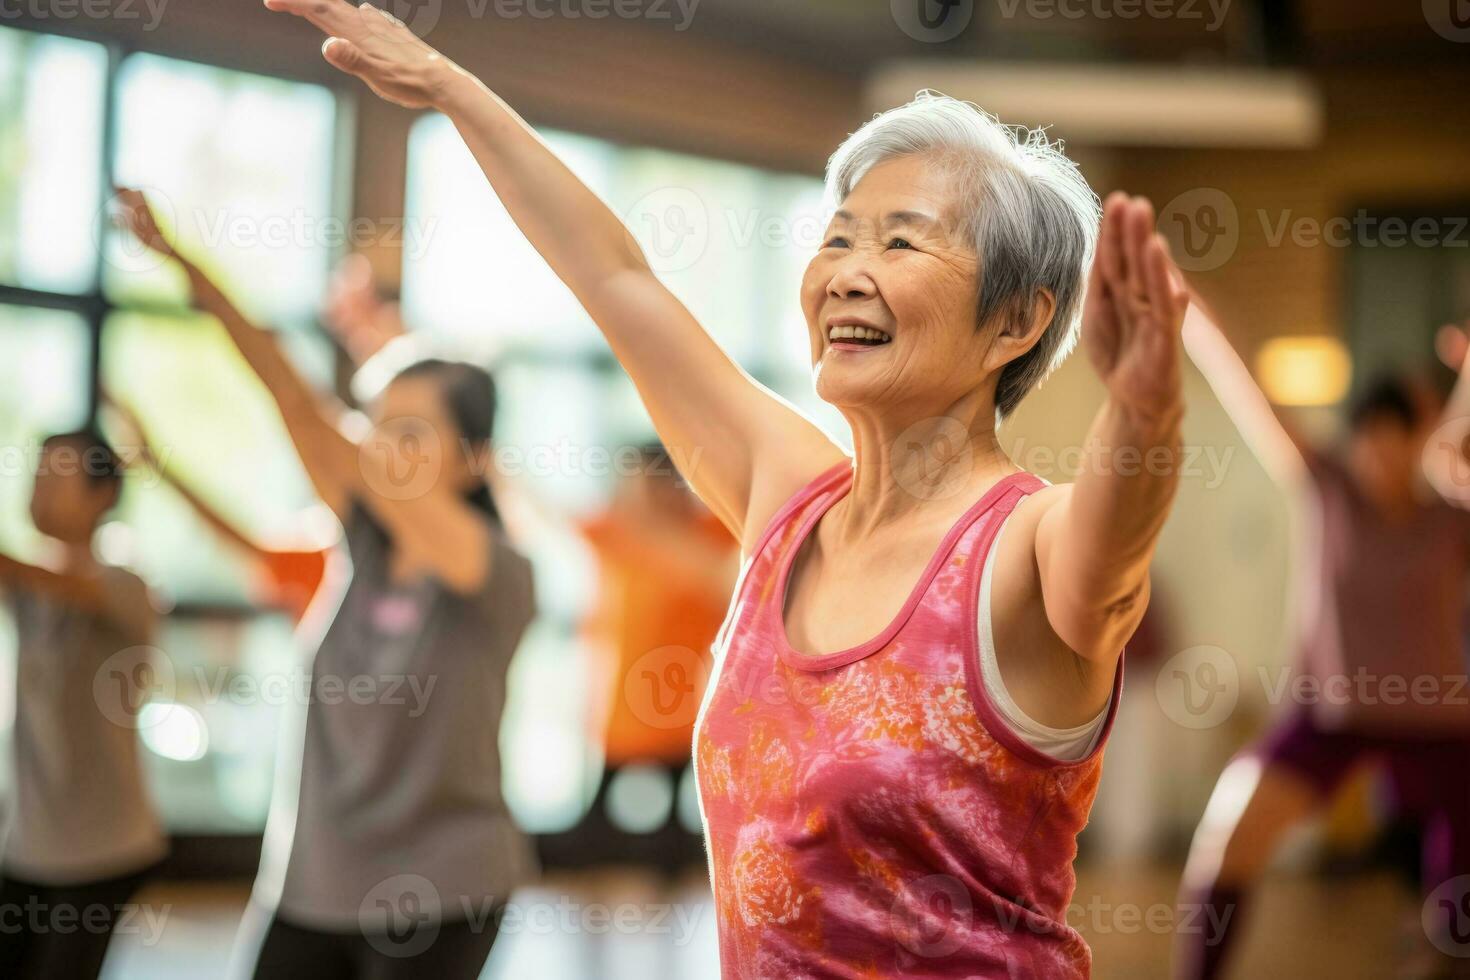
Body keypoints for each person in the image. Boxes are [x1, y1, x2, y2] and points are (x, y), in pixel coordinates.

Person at [263, 3, 1191, 975]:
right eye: (838, 239)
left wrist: (1146, 414)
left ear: (1015, 320)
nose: (846, 273)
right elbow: (615, 276)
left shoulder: (1025, 544)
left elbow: (1114, 542)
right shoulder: (785, 496)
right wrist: (446, 84)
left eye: (900, 244)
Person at [114, 189, 538, 979]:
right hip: (310, 885)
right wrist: (185, 267)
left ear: (476, 458)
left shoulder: (500, 572)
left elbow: (314, 414)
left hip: (442, 892)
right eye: (377, 424)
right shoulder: (358, 547)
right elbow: (290, 396)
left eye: (412, 431)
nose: (383, 447)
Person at [1176, 307, 1470, 979]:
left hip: (1443, 724)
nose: (1378, 454)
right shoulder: (1329, 486)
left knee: (1455, 918)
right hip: (1330, 716)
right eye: (1367, 438)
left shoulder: (1451, 513)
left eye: (1396, 437)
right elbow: (1246, 380)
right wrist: (1194, 304)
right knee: (1226, 843)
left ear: (1422, 438)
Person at [0, 429, 168, 980]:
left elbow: (54, 581)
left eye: (57, 477)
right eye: (37, 475)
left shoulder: (124, 582)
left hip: (103, 845)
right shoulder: (30, 585)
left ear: (102, 496)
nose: (39, 490)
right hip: (28, 841)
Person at [548, 443, 736, 876]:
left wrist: (652, 527)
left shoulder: (706, 534)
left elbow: (720, 580)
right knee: (595, 833)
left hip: (685, 708)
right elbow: (550, 513)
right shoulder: (617, 532)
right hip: (618, 709)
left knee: (674, 842)